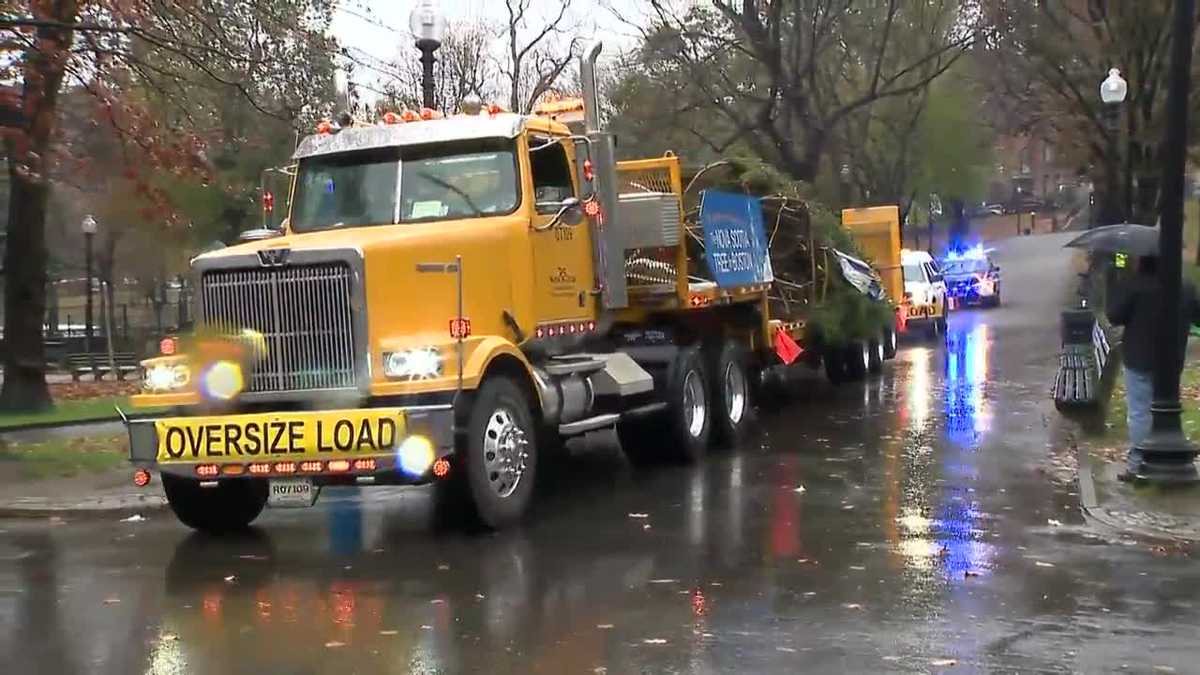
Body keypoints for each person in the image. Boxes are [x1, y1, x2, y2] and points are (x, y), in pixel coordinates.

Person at [1105, 254, 1200, 473]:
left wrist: (1117, 285)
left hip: (1139, 358)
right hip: (1170, 360)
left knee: (1140, 411)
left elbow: (1114, 315)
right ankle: (1166, 454)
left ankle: (1139, 461)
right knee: (1167, 408)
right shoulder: (1184, 286)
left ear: (1143, 261)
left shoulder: (1135, 285)